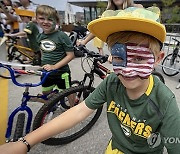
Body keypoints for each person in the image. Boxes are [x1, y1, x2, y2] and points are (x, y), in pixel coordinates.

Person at [0, 6, 180, 154]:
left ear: (157, 59)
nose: (126, 70)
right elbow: (78, 111)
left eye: (139, 59)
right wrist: (25, 142)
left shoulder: (164, 102)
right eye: (119, 58)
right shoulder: (112, 83)